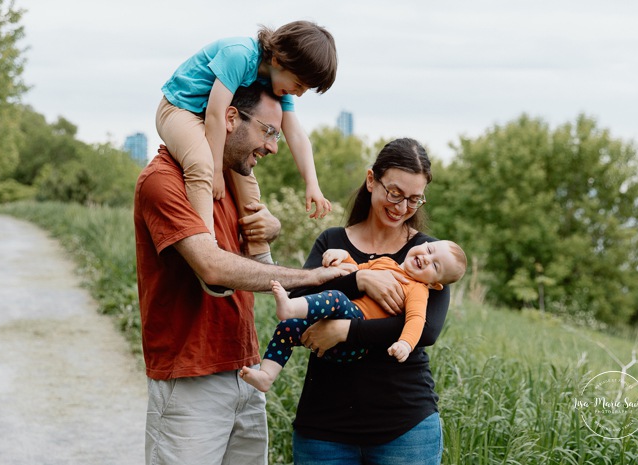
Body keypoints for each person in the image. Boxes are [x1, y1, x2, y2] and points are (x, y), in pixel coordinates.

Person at [134, 82, 347, 465]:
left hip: (245, 372)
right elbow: (213, 266)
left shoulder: (232, 179)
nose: (273, 147)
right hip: (189, 380)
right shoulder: (163, 181)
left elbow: (246, 262)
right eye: (268, 132)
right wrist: (308, 277)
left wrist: (272, 229)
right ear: (230, 118)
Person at [281, 138, 452, 465]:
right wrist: (359, 278)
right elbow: (297, 300)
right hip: (324, 428)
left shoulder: (428, 255)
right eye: (395, 193)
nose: (402, 208)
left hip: (405, 429)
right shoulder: (332, 241)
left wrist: (345, 330)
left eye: (414, 199)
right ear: (371, 180)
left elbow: (426, 331)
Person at [156, 20, 337, 266]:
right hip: (179, 109)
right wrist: (216, 170)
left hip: (210, 119)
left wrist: (312, 184)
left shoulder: (274, 81)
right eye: (299, 85)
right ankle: (209, 253)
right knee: (201, 164)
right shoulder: (240, 55)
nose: (299, 93)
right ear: (278, 61)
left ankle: (258, 253)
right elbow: (215, 114)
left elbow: (295, 132)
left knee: (247, 179)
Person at [240, 240, 466, 392]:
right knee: (288, 328)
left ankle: (289, 307)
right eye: (429, 251)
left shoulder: (417, 289)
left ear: (434, 284)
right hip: (335, 331)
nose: (427, 258)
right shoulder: (386, 262)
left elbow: (417, 321)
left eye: (435, 265)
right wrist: (343, 256)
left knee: (337, 298)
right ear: (423, 244)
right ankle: (267, 376)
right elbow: (356, 269)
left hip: (355, 340)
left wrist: (405, 344)